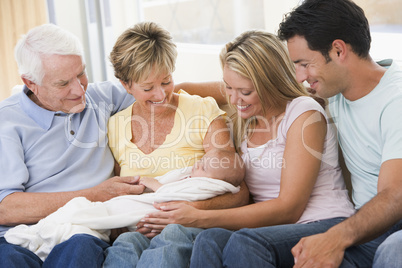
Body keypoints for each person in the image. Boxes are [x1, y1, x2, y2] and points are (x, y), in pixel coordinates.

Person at [129, 29, 356, 268]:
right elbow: (182, 91)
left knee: (242, 241)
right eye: (227, 88)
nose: (234, 99)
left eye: (245, 91)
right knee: (209, 240)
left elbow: (290, 209)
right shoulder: (247, 116)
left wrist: (200, 217)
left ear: (270, 83)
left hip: (322, 223)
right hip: (268, 232)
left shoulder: (302, 113)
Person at [100, 21, 248, 267]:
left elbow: (239, 193)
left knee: (172, 237)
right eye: (148, 87)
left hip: (187, 226)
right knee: (123, 246)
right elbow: (121, 194)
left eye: (166, 81)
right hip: (137, 229)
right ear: (126, 85)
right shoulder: (115, 127)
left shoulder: (202, 110)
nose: (161, 95)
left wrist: (186, 211)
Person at [0, 23, 141, 268]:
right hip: (16, 236)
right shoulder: (7, 122)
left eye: (81, 74)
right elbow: (6, 209)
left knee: (80, 249)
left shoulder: (101, 97)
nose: (79, 90)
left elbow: (161, 91)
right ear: (31, 83)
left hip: (80, 230)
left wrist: (228, 88)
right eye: (63, 83)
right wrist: (95, 195)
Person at [276, 0, 402, 267]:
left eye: (304, 64)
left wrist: (335, 238)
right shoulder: (334, 91)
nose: (300, 77)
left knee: (393, 250)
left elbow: (395, 194)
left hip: (394, 223)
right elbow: (264, 88)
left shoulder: (396, 100)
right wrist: (176, 88)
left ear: (338, 50)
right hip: (367, 226)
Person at [5, 149, 244, 261]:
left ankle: (52, 231)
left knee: (84, 229)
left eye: (202, 167)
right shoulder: (116, 106)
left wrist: (152, 184)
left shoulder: (208, 185)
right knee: (85, 214)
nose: (195, 167)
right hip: (130, 215)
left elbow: (167, 195)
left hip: (161, 216)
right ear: (127, 85)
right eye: (148, 87)